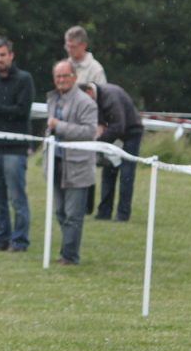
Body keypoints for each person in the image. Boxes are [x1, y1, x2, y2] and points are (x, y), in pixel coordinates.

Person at [0, 37, 34, 252]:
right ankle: (1, 238)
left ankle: (20, 241)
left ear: (11, 55)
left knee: (17, 198)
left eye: (3, 55)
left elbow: (22, 111)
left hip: (15, 148)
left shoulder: (24, 79)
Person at [44, 60, 98, 265]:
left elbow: (89, 132)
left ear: (74, 78)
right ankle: (67, 250)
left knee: (73, 215)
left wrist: (61, 126)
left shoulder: (86, 103)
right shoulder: (52, 99)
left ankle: (70, 255)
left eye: (65, 76)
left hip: (78, 165)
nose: (61, 80)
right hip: (56, 163)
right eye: (58, 76)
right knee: (60, 211)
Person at [81, 81, 144, 221]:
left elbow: (118, 126)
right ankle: (104, 212)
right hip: (114, 135)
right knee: (108, 172)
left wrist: (98, 143)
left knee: (126, 175)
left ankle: (123, 214)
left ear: (89, 92)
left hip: (131, 134)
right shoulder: (93, 99)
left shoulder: (110, 97)